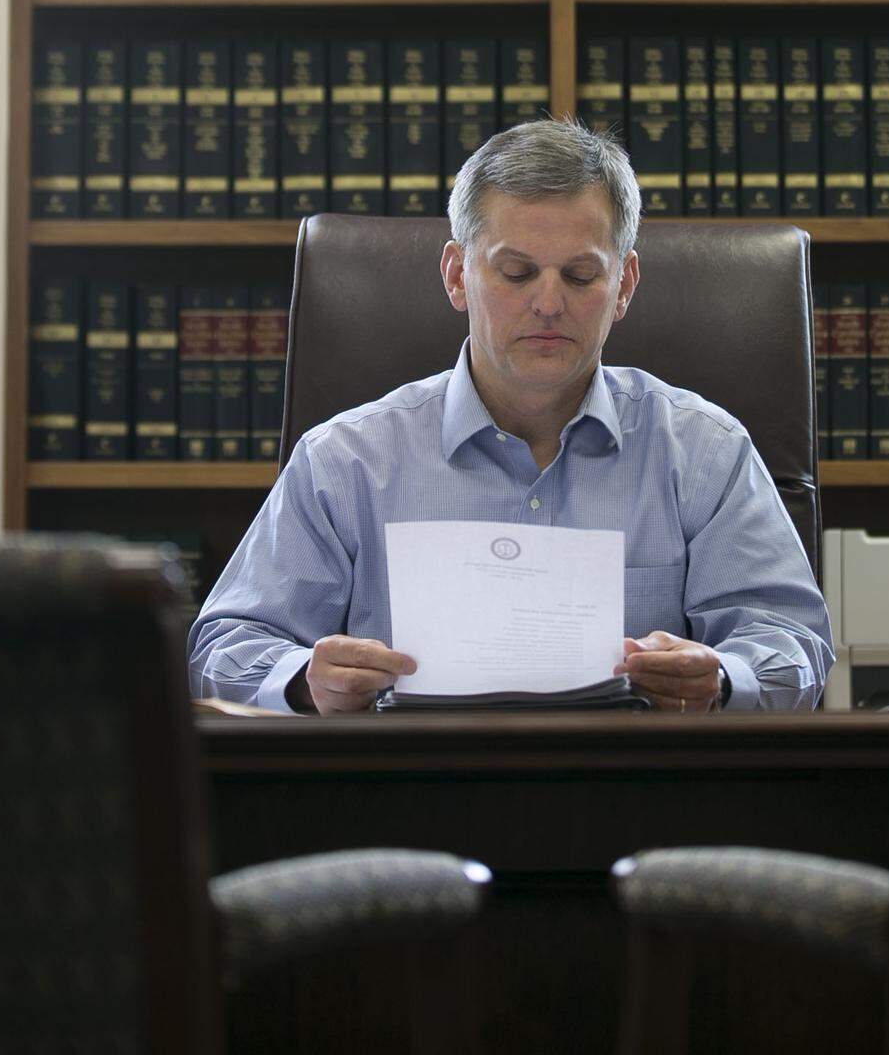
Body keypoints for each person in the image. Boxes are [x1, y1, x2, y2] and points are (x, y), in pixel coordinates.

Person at [189, 119, 833, 714]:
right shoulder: (345, 459)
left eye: (581, 275)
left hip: (637, 788)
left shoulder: (705, 452)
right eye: (516, 272)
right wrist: (306, 680)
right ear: (457, 275)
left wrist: (722, 676)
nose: (548, 303)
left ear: (626, 286)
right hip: (408, 792)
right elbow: (226, 645)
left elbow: (792, 641)